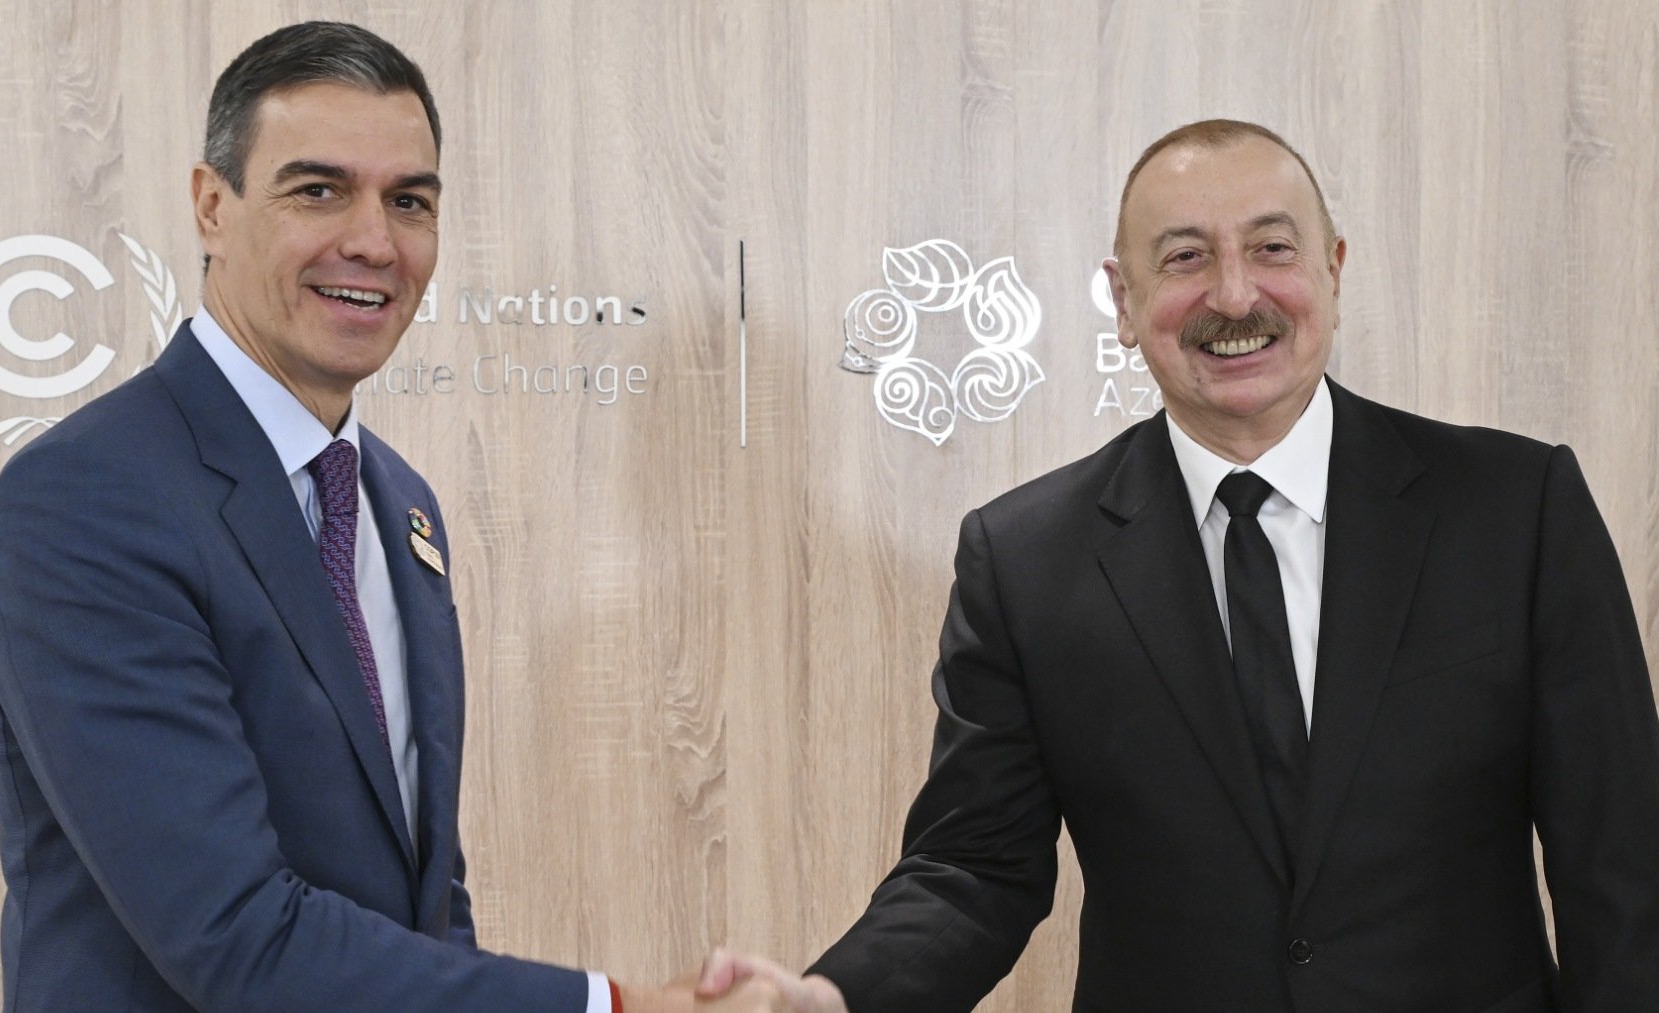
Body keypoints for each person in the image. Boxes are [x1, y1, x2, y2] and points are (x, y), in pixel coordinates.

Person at [711, 120, 1659, 1011]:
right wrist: (835, 998)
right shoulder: (1025, 558)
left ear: (1333, 271)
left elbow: (1620, 860)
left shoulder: (1514, 507)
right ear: (1123, 302)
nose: (1236, 295)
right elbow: (975, 867)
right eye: (1185, 258)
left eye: (1273, 248)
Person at [0, 21, 791, 1013]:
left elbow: (425, 906)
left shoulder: (399, 505)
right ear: (212, 207)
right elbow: (234, 936)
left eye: (410, 201)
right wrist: (619, 1006)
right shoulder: (89, 499)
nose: (373, 239)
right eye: (318, 189)